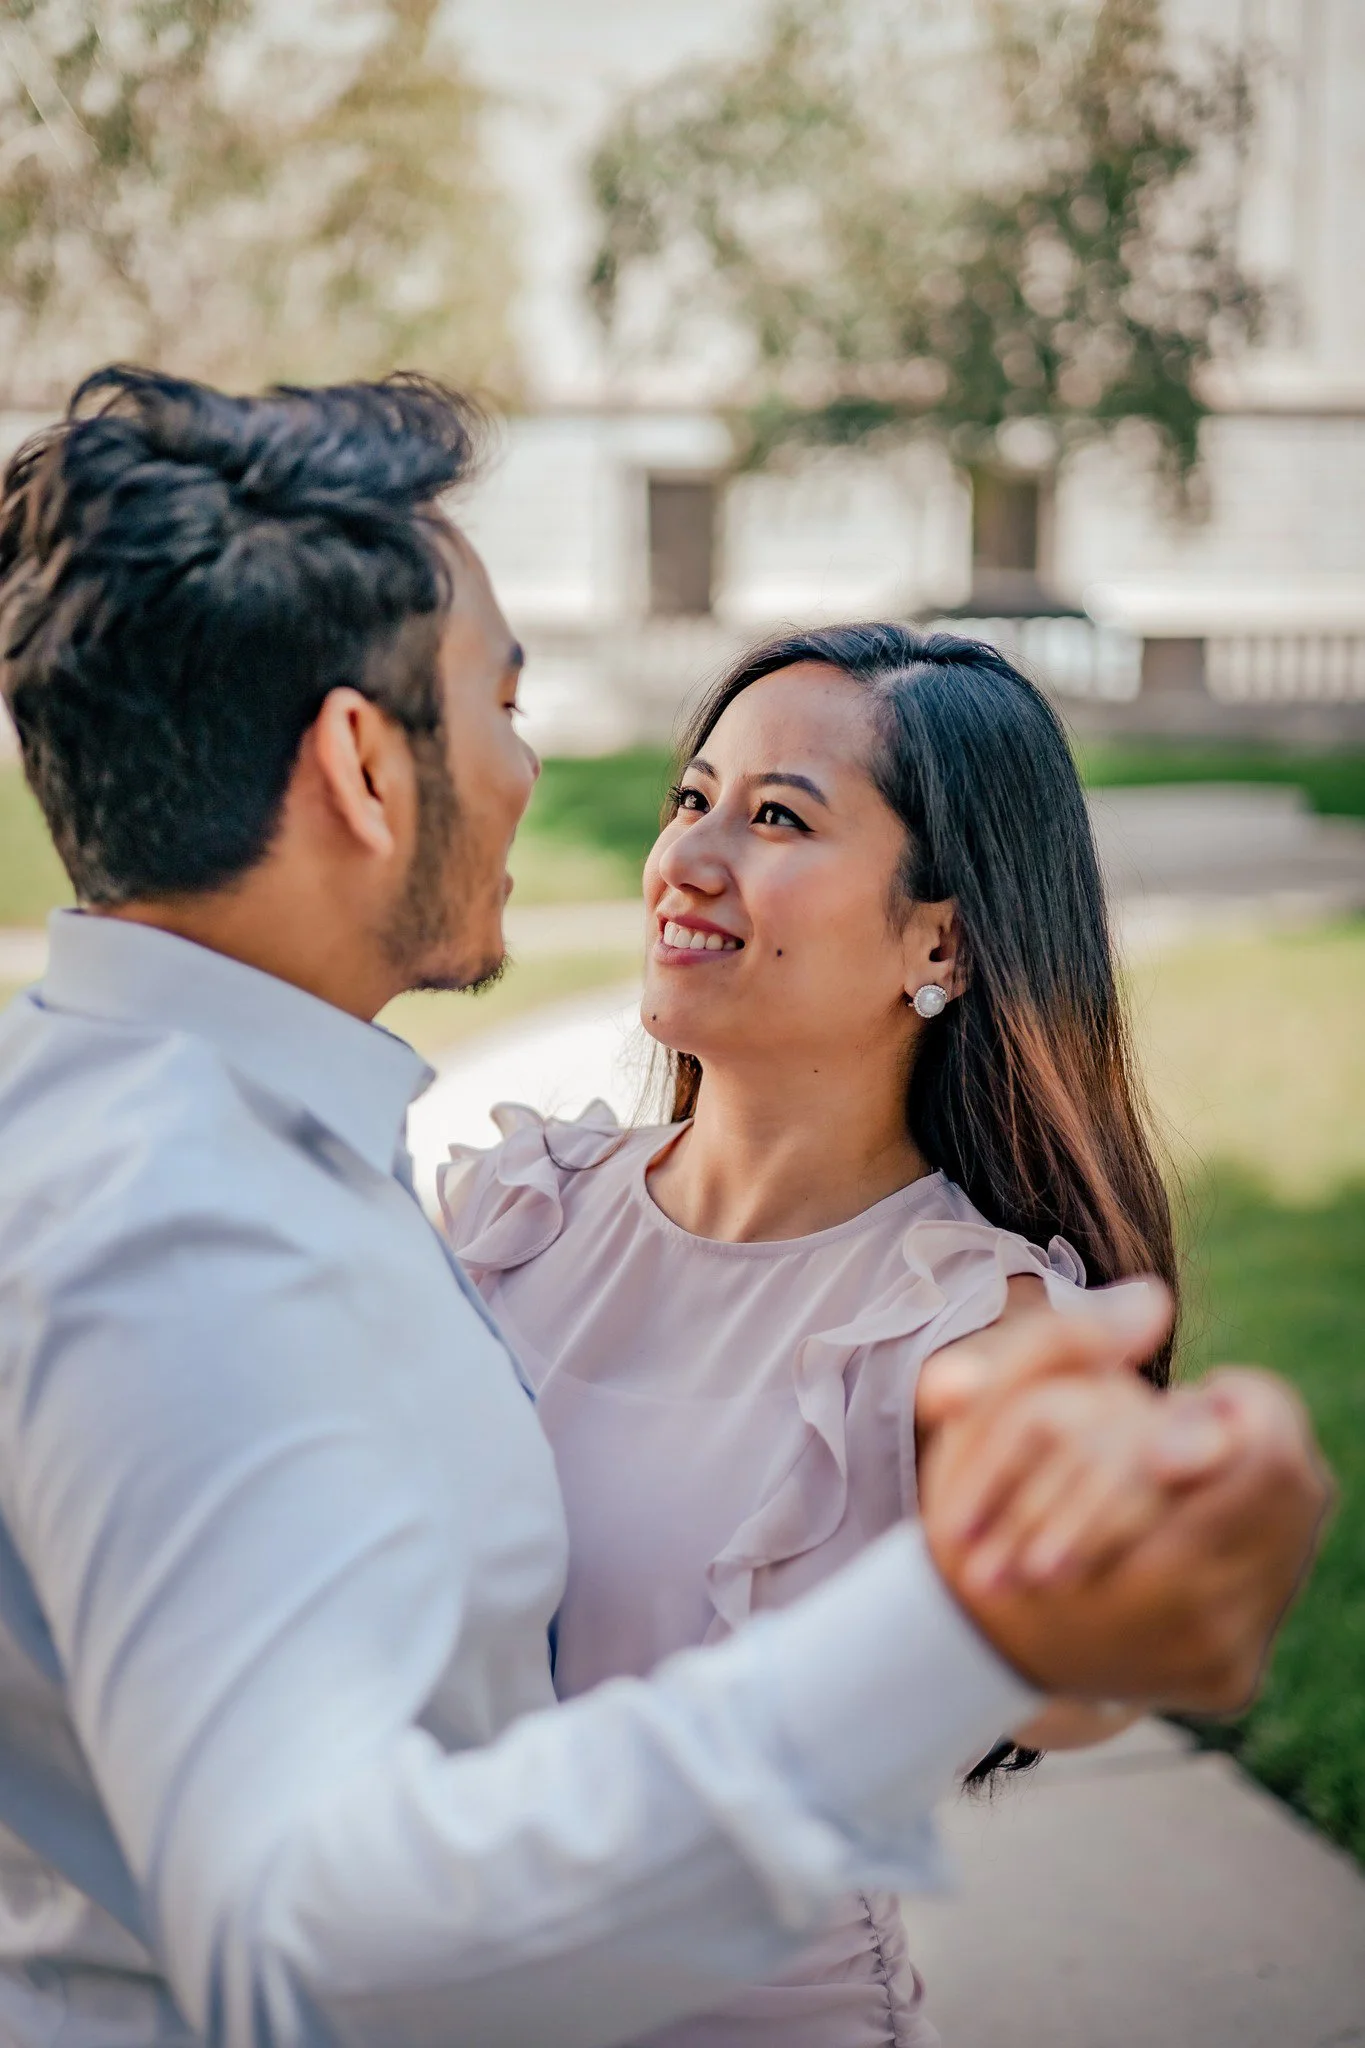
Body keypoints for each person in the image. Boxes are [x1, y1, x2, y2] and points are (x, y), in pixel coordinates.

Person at [0, 368, 1328, 2048]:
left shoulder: (215, 1146)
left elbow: (1069, 1676)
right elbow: (316, 1925)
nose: (611, 814)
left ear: (944, 937)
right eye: (503, 701)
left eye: (773, 816)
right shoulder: (286, 1213)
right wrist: (965, 1622)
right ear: (362, 763)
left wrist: (1060, 1583)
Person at [434, 620, 1258, 2044]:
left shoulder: (967, 1324)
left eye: (775, 818)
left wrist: (1111, 1586)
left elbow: (1075, 1643)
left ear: (938, 937)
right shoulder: (520, 1214)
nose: (687, 860)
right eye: (692, 801)